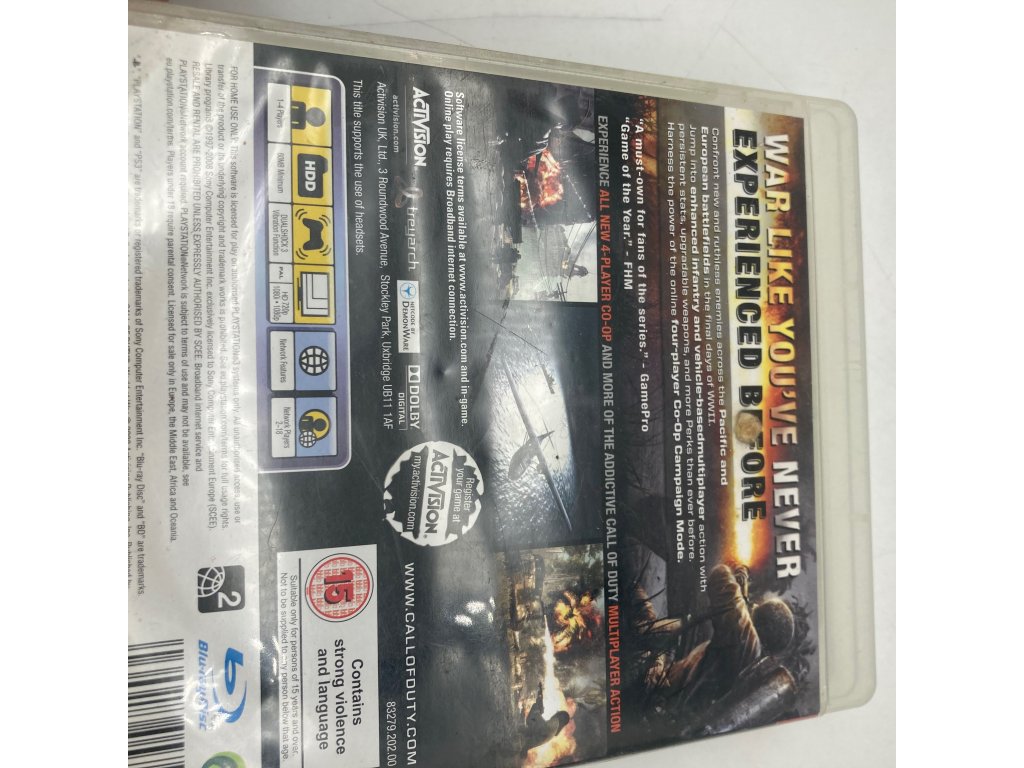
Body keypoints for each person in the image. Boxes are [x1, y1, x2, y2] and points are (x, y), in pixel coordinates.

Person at [640, 563, 794, 711]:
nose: (754, 606)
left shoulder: (748, 643)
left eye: (758, 607)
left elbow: (720, 576)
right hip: (668, 683)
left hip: (661, 691)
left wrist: (740, 573)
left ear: (764, 624)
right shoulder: (750, 656)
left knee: (636, 599)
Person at [520, 682, 570, 754]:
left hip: (526, 740)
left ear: (561, 717)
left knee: (536, 707)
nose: (556, 713)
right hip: (528, 741)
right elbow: (543, 728)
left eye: (559, 713)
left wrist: (537, 713)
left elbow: (543, 728)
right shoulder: (554, 729)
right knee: (537, 709)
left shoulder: (556, 722)